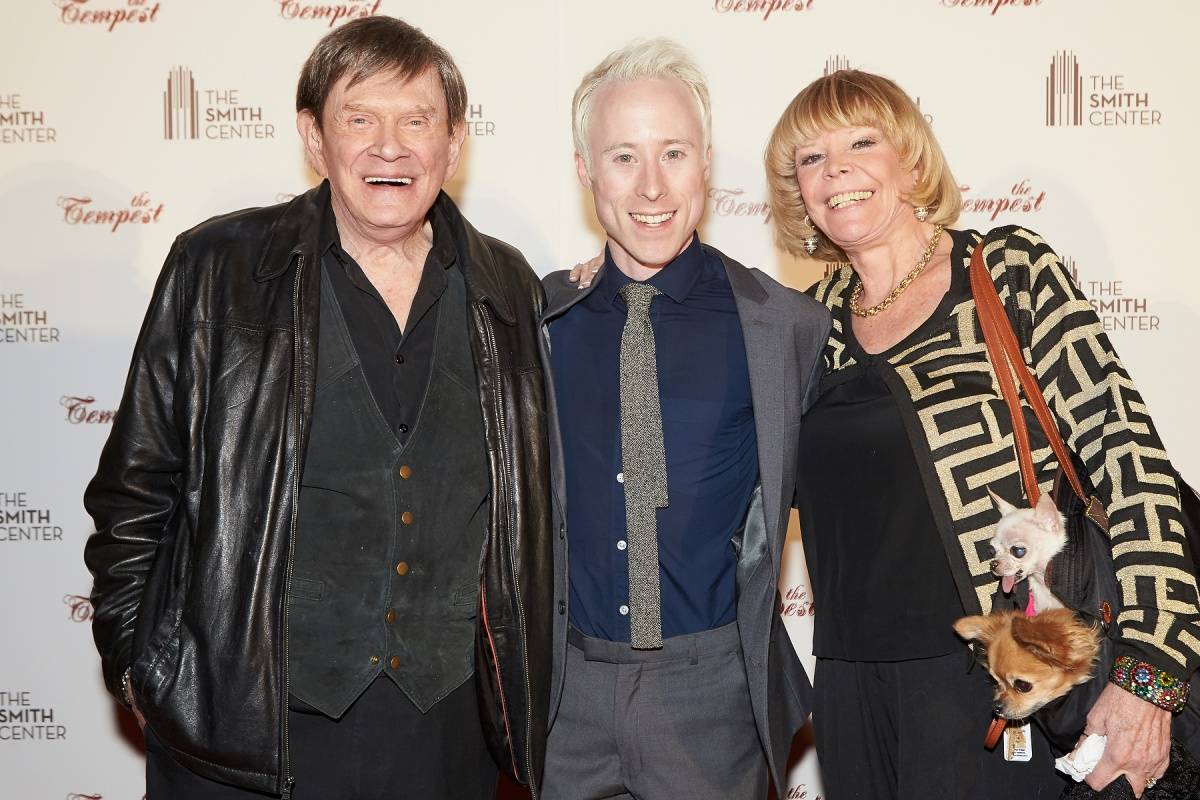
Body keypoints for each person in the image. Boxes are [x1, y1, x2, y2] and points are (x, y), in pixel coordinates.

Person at [82, 16, 553, 800]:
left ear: (454, 142)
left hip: (445, 737)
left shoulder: (507, 290)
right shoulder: (218, 268)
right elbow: (134, 491)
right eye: (359, 118)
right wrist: (144, 671)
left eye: (416, 120)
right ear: (313, 135)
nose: (389, 146)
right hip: (247, 734)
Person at [764, 69, 1200, 798]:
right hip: (850, 690)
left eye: (861, 142)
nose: (835, 168)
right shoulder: (807, 324)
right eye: (811, 157)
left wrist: (1150, 676)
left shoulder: (1006, 272)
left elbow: (1130, 460)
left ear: (909, 160)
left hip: (996, 674)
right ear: (798, 190)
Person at [539, 39, 831, 800]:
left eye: (673, 152)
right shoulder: (532, 320)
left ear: (706, 163)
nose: (652, 185)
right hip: (563, 699)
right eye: (624, 157)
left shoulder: (784, 327)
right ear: (585, 171)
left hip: (713, 698)